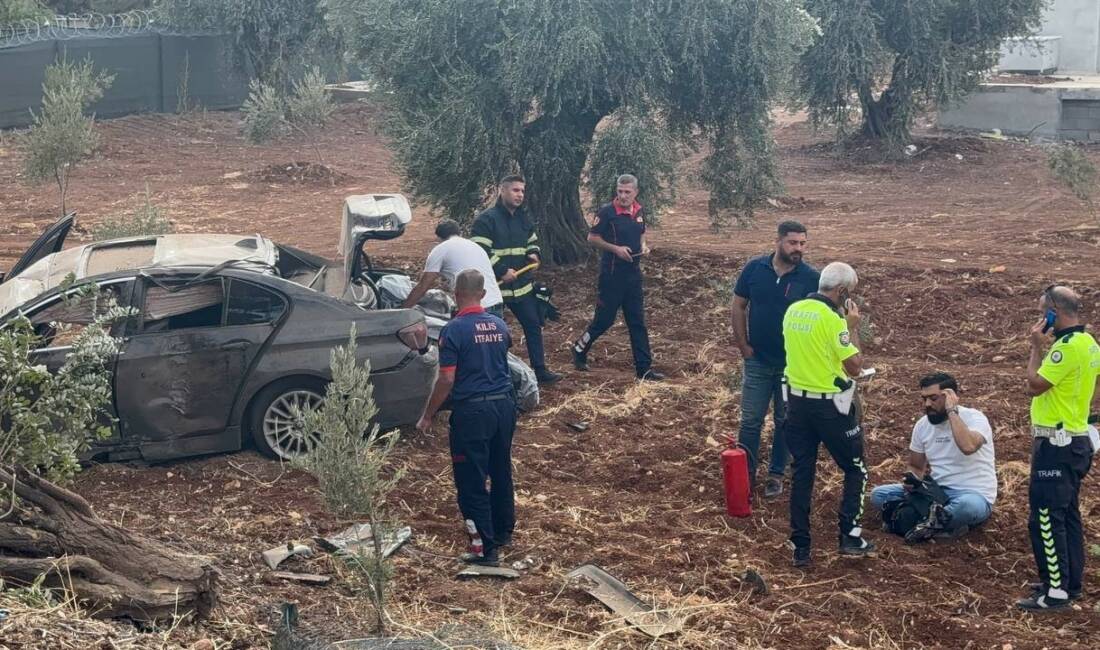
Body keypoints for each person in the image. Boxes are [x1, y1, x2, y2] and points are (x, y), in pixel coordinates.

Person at [416, 269, 517, 566]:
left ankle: (483, 549)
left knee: (471, 480)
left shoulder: (454, 330)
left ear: (456, 295)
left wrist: (427, 415)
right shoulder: (499, 325)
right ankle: (502, 532)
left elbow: (447, 378)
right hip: (504, 407)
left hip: (473, 412)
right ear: (483, 295)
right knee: (500, 470)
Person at [782, 261, 873, 567]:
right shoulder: (834, 321)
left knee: (802, 472)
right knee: (855, 468)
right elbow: (855, 365)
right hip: (831, 407)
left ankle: (800, 546)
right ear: (842, 291)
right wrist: (851, 328)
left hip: (796, 404)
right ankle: (850, 536)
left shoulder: (794, 310)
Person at [1016, 285, 1098, 611]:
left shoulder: (1065, 347)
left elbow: (1034, 385)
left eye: (1042, 313)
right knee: (1068, 515)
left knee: (1046, 517)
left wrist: (1036, 347)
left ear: (1054, 311)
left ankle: (1056, 593)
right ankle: (1067, 581)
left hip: (1056, 443)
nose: (1040, 319)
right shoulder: (1089, 344)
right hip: (1077, 439)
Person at [732, 221, 819, 498]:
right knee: (750, 421)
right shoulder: (754, 269)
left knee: (785, 421)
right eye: (793, 243)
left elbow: (819, 318)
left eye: (803, 243)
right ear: (778, 241)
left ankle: (776, 474)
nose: (799, 249)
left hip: (791, 366)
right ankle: (745, 475)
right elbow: (738, 305)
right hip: (757, 361)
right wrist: (743, 345)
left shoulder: (809, 278)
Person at [870, 372, 996, 543]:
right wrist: (912, 482)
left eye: (934, 398)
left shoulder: (975, 418)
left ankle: (922, 521)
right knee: (879, 495)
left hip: (972, 494)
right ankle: (937, 524)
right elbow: (916, 466)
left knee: (967, 507)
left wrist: (952, 411)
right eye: (924, 399)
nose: (927, 404)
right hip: (936, 493)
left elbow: (968, 446)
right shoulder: (922, 425)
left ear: (950, 396)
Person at [571, 174, 665, 381]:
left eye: (627, 192)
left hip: (633, 276)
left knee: (637, 322)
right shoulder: (607, 212)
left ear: (635, 192)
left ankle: (644, 369)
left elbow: (642, 232)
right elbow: (592, 238)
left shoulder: (639, 211)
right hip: (611, 276)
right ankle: (579, 349)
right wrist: (615, 249)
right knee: (604, 321)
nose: (622, 196)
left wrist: (644, 245)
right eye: (620, 191)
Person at [471, 175, 561, 385]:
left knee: (533, 326)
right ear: (502, 191)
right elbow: (480, 249)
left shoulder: (524, 218)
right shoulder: (486, 219)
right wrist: (502, 270)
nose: (520, 195)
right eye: (515, 190)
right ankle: (497, 374)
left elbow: (532, 240)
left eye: (522, 191)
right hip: (495, 289)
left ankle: (540, 370)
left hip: (522, 287)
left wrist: (534, 254)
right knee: (494, 334)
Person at [401, 219, 504, 313]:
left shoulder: (441, 249)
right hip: (496, 303)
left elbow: (423, 286)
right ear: (459, 233)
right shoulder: (476, 246)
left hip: (475, 308)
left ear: (439, 237)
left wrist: (402, 311)